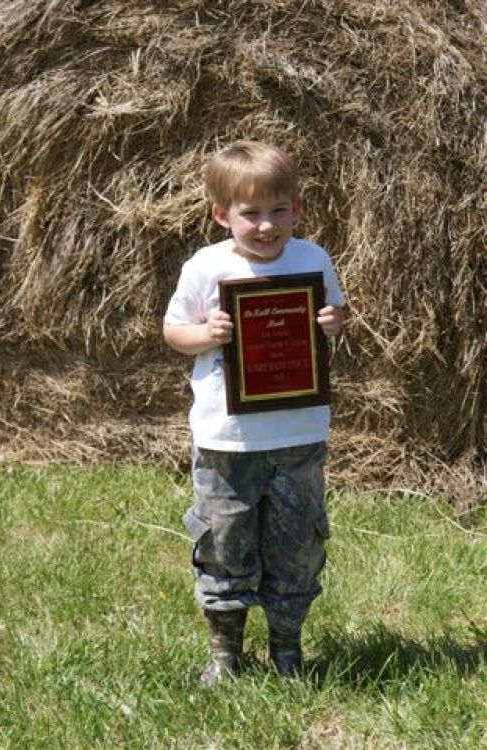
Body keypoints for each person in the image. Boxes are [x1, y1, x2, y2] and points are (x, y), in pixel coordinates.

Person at [163, 140, 345, 686]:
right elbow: (173, 332)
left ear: (297, 208)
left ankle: (288, 648)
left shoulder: (312, 260)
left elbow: (333, 312)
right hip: (228, 440)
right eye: (251, 214)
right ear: (222, 215)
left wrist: (332, 322)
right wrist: (206, 334)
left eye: (279, 211)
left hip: (297, 433)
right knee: (224, 539)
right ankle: (225, 651)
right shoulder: (206, 267)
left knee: (298, 543)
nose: (267, 226)